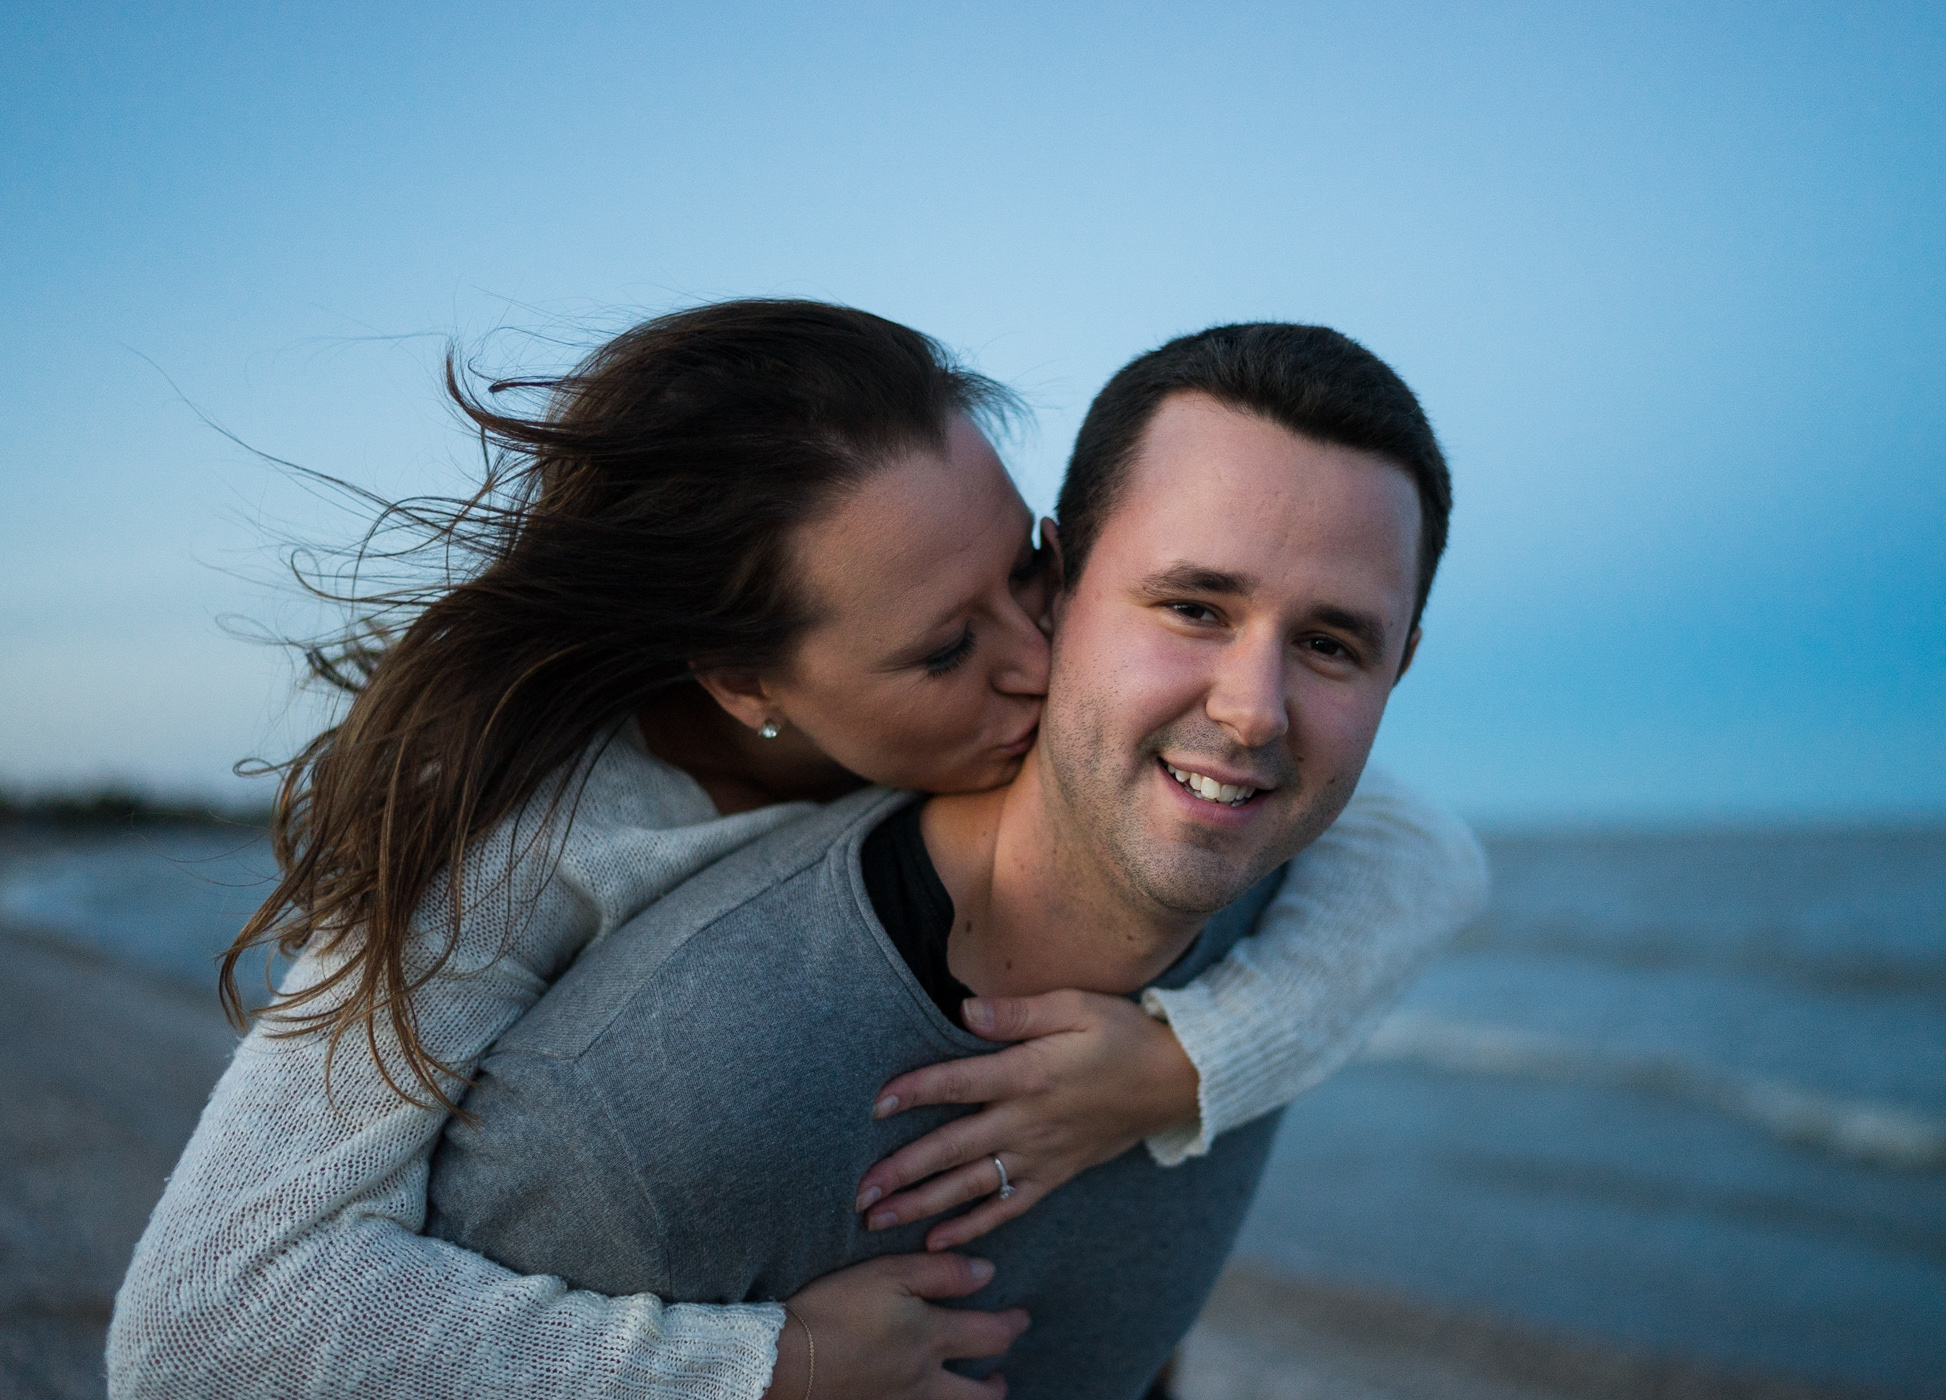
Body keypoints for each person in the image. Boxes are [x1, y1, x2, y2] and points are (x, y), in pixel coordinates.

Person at [109, 304, 1485, 1400]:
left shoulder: (994, 720)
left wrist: (1193, 1061)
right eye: (949, 647)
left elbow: (1422, 847)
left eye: (1024, 576)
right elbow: (204, 1321)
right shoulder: (516, 856)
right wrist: (759, 1369)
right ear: (744, 682)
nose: (1041, 657)